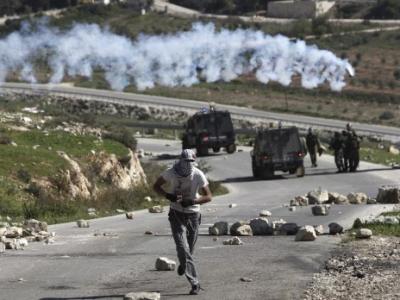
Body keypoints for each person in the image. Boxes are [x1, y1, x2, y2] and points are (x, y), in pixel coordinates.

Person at [153, 149, 212, 295]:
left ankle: (184, 264)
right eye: (186, 161)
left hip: (193, 214)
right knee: (182, 247)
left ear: (194, 161)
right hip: (176, 213)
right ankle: (195, 283)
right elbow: (156, 186)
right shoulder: (171, 172)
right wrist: (169, 196)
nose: (188, 164)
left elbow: (209, 196)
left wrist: (192, 200)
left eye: (191, 162)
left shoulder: (198, 174)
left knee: (188, 250)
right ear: (180, 160)